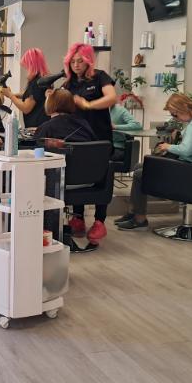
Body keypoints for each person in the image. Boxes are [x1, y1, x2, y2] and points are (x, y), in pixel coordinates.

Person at [116, 93, 192, 231]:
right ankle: (133, 212)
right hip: (190, 168)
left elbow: (186, 150)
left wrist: (168, 146)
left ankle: (139, 219)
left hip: (187, 170)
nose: (175, 118)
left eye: (175, 114)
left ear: (183, 108)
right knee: (140, 166)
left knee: (140, 174)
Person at [61, 43, 117, 244]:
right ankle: (77, 218)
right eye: (72, 62)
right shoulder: (68, 83)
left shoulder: (100, 77)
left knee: (101, 177)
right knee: (79, 176)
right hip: (78, 138)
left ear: (88, 61)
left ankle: (100, 221)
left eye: (80, 61)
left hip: (100, 137)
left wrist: (89, 104)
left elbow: (112, 98)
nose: (76, 65)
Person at [34, 89, 98, 251]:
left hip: (57, 183)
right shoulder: (86, 125)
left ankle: (45, 232)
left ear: (51, 104)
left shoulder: (46, 128)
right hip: (88, 181)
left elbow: (36, 156)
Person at [0, 48, 50, 129]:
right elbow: (31, 95)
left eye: (27, 66)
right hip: (42, 125)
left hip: (37, 127)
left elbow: (26, 108)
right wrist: (13, 94)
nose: (27, 69)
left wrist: (10, 95)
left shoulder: (37, 83)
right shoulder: (43, 80)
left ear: (32, 64)